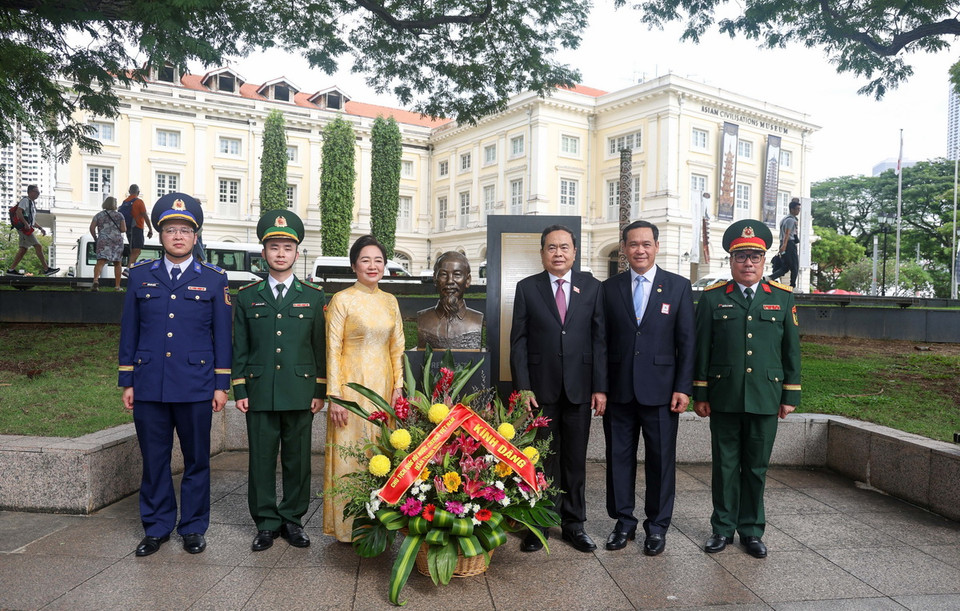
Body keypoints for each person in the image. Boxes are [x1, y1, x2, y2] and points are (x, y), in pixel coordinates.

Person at [118, 192, 232, 557]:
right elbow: (129, 331)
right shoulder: (140, 276)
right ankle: (156, 527)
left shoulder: (214, 279)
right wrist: (127, 380)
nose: (178, 236)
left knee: (197, 460)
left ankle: (194, 527)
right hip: (149, 383)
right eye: (171, 230)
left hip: (197, 385)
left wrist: (220, 384)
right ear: (161, 236)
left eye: (185, 230)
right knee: (154, 460)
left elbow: (222, 337)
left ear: (195, 237)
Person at [693, 219, 801, 559]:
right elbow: (702, 350)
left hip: (765, 396)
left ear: (764, 260)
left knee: (756, 467)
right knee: (724, 466)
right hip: (723, 396)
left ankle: (752, 530)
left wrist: (790, 395)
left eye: (755, 256)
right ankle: (722, 529)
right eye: (741, 257)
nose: (749, 263)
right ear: (731, 261)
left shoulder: (781, 299)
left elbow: (791, 352)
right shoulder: (712, 300)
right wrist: (701, 392)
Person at [232, 210, 327, 552]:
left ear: (297, 253)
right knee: (260, 458)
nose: (281, 253)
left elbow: (319, 347)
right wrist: (239, 388)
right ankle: (266, 523)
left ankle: (292, 519)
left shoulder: (314, 297)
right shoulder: (246, 297)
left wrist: (320, 389)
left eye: (287, 246)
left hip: (301, 392)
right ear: (264, 253)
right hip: (259, 391)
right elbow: (240, 346)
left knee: (298, 459)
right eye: (274, 247)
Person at [510, 224, 607, 553]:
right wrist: (524, 388)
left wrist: (600, 388)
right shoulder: (527, 288)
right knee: (540, 459)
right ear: (542, 253)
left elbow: (599, 341)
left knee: (575, 461)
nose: (558, 253)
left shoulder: (592, 288)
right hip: (540, 391)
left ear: (575, 252)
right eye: (551, 248)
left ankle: (574, 524)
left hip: (580, 389)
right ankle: (538, 523)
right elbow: (519, 343)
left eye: (564, 247)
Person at [601, 220, 695, 555]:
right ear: (624, 248)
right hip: (619, 392)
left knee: (660, 461)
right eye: (633, 244)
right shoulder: (609, 288)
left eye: (646, 244)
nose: (640, 250)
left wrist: (683, 387)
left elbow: (687, 342)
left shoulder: (678, 287)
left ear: (656, 246)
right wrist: (601, 387)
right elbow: (601, 341)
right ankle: (623, 522)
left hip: (662, 392)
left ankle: (657, 527)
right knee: (619, 459)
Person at [324, 234, 405, 542]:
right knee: (351, 453)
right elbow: (332, 349)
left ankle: (381, 523)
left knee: (383, 451)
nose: (373, 266)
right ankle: (348, 527)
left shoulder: (390, 301)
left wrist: (398, 386)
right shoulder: (342, 299)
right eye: (365, 260)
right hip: (352, 389)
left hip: (383, 388)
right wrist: (335, 396)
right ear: (354, 265)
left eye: (378, 260)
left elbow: (397, 347)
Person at [416, 251, 484, 349]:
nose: (450, 281)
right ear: (435, 279)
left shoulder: (477, 320)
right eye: (443, 274)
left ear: (467, 280)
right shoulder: (423, 318)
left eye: (457, 275)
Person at [6, 184, 59, 276]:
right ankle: (46, 269)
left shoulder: (31, 204)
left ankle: (11, 270)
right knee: (38, 246)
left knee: (23, 250)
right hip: (24, 229)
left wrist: (40, 228)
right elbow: (19, 212)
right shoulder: (25, 201)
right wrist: (25, 224)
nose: (38, 194)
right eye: (36, 192)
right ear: (30, 192)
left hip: (26, 228)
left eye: (39, 192)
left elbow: (31, 221)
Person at [89, 196, 127, 291]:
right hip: (116, 241)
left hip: (103, 240)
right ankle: (117, 286)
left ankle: (95, 280)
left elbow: (92, 228)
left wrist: (95, 238)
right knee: (117, 263)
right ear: (114, 205)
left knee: (100, 261)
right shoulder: (119, 215)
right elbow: (123, 229)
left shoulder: (98, 215)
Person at [769, 198, 801, 288]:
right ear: (792, 209)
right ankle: (792, 286)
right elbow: (787, 234)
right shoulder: (790, 220)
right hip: (789, 244)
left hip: (784, 243)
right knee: (795, 266)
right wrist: (784, 245)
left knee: (786, 267)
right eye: (797, 209)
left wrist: (782, 246)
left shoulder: (784, 219)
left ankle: (770, 277)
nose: (798, 211)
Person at [120, 184, 153, 271]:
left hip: (128, 228)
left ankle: (131, 268)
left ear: (129, 192)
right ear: (138, 192)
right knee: (137, 250)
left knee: (133, 249)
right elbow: (145, 215)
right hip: (137, 228)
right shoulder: (139, 202)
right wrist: (150, 229)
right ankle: (128, 269)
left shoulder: (125, 202)